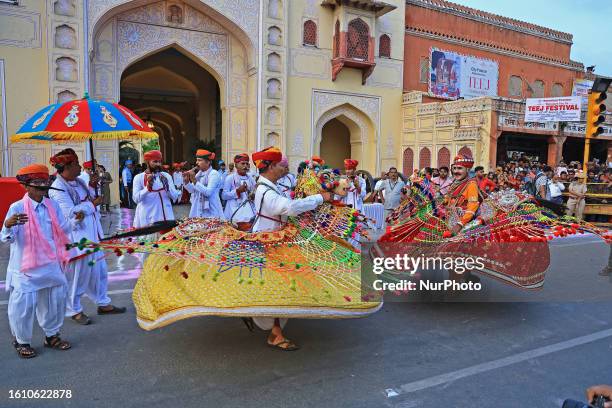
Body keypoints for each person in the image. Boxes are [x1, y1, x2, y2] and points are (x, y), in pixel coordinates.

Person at [251, 146, 333, 350]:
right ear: (270, 166)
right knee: (277, 285)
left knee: (280, 285)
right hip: (268, 242)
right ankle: (274, 331)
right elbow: (288, 208)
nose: (284, 169)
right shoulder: (265, 189)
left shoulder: (270, 186)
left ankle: (275, 329)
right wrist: (319, 198)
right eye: (280, 165)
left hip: (276, 240)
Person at [2, 164, 73, 358]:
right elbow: (6, 238)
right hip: (26, 266)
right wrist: (8, 225)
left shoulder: (53, 205)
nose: (43, 187)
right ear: (26, 186)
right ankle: (21, 341)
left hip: (50, 262)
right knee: (24, 304)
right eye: (38, 183)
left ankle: (51, 336)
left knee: (54, 299)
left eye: (45, 183)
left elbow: (64, 229)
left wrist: (82, 210)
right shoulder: (16, 207)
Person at [49, 149, 125, 325]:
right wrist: (92, 204)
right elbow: (71, 214)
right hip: (76, 239)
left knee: (99, 271)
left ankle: (103, 302)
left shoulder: (79, 182)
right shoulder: (57, 188)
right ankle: (73, 309)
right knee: (78, 276)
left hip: (92, 234)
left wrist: (92, 186)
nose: (79, 167)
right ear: (66, 167)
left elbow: (87, 203)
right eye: (75, 164)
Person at [132, 150, 181, 228]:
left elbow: (174, 197)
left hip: (167, 218)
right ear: (147, 162)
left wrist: (167, 187)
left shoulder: (166, 176)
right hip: (148, 219)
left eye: (159, 161)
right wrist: (148, 188)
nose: (158, 164)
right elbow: (136, 199)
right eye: (155, 162)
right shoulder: (139, 177)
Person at [183, 149, 224, 219]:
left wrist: (194, 180)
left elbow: (208, 192)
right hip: (197, 210)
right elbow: (192, 190)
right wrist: (186, 181)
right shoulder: (199, 174)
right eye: (197, 160)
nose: (196, 163)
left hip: (211, 211)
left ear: (208, 162)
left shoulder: (214, 174)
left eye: (199, 160)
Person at [446, 154, 481, 235]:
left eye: (459, 168)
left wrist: (460, 224)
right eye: (454, 168)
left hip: (464, 225)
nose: (456, 171)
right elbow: (448, 199)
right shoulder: (454, 183)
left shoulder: (471, 184)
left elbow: (472, 206)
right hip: (451, 220)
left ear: (468, 169)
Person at [222, 153, 256, 225]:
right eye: (243, 164)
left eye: (247, 164)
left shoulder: (251, 178)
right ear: (236, 165)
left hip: (249, 211)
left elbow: (254, 192)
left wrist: (253, 195)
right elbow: (224, 195)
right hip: (233, 211)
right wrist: (237, 191)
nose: (245, 166)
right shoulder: (230, 178)